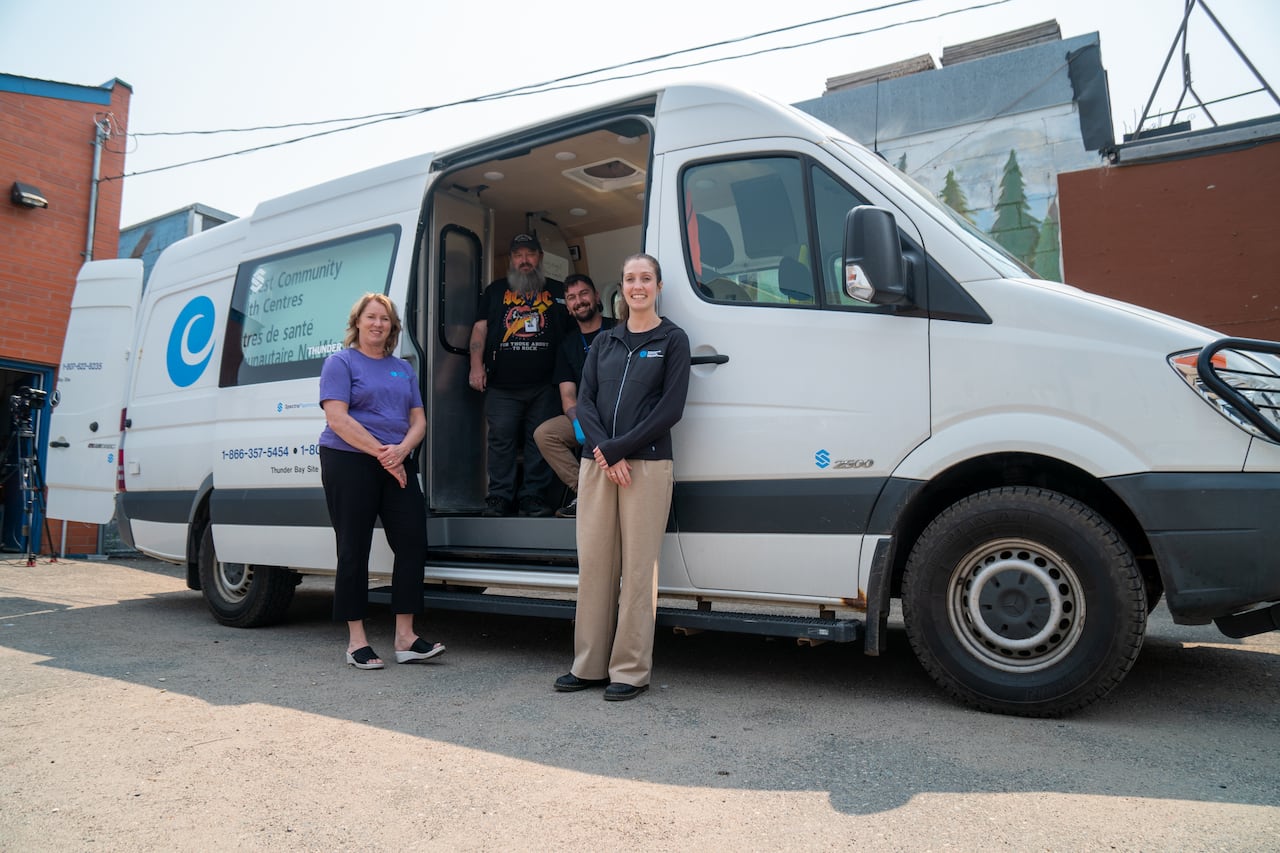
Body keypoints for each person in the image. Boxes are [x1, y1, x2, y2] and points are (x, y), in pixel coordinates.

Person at [554, 253, 690, 701]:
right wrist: (604, 451)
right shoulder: (607, 343)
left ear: (659, 285)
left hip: (645, 466)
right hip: (600, 466)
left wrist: (618, 448)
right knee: (594, 566)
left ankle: (629, 671)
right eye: (630, 278)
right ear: (621, 288)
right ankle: (589, 665)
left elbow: (669, 410)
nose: (637, 286)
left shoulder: (672, 340)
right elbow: (585, 402)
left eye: (645, 278)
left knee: (637, 572)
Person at [319, 293, 445, 670]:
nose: (378, 324)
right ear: (357, 321)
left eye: (385, 319)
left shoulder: (402, 369)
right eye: (371, 317)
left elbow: (418, 420)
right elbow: (337, 419)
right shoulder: (340, 362)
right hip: (348, 460)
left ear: (392, 328)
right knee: (353, 547)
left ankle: (405, 638)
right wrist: (383, 454)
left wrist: (400, 451)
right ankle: (357, 641)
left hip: (396, 460)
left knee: (412, 541)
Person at [468, 233, 569, 518]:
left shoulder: (560, 291)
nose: (524, 260)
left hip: (546, 385)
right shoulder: (496, 290)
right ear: (511, 260)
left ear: (540, 258)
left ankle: (532, 498)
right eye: (518, 255)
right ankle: (499, 497)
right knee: (501, 441)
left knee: (540, 441)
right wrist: (475, 365)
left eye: (530, 254)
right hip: (502, 385)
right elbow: (480, 329)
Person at [532, 273, 616, 518]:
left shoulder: (619, 328)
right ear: (567, 307)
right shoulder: (568, 345)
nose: (579, 301)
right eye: (571, 298)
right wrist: (578, 420)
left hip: (622, 415)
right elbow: (568, 394)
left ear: (596, 296)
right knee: (545, 434)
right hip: (588, 416)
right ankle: (587, 492)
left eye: (583, 294)